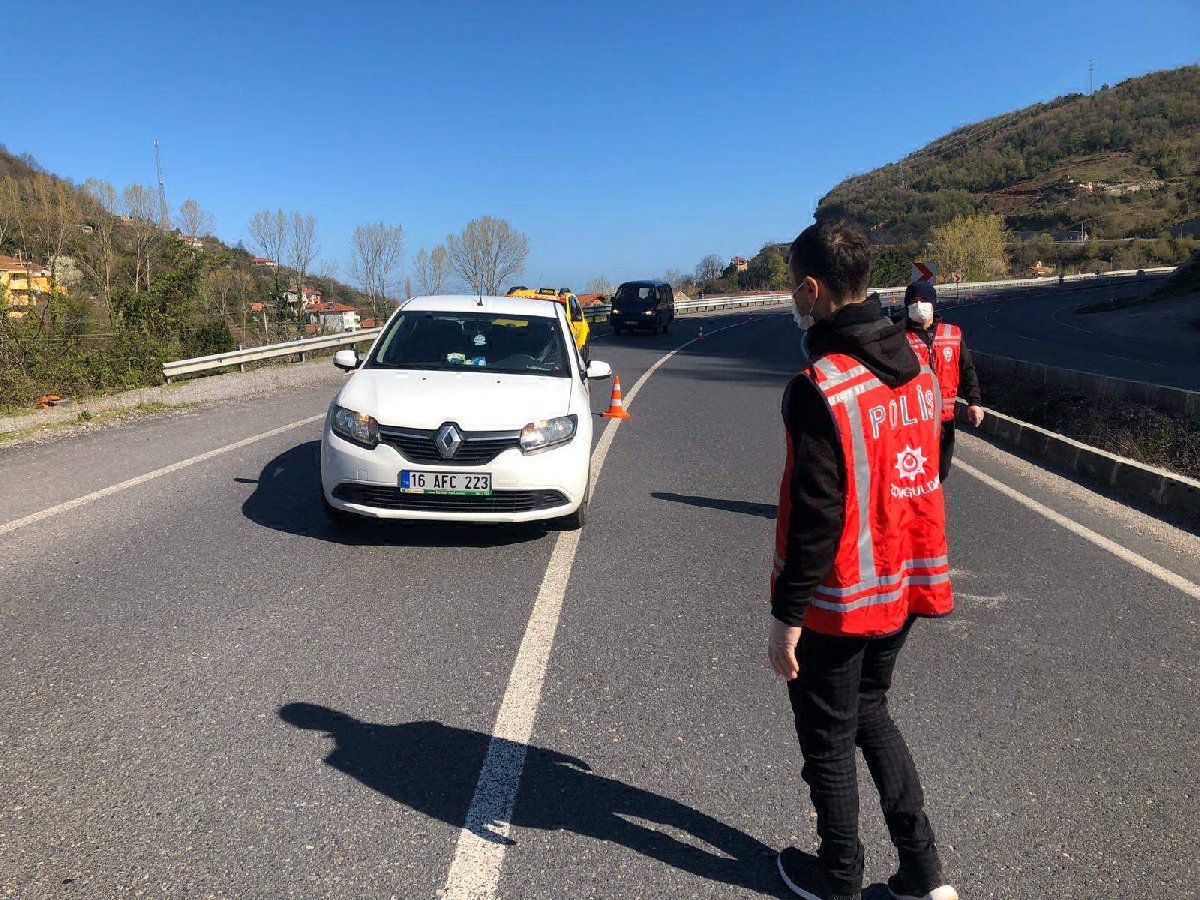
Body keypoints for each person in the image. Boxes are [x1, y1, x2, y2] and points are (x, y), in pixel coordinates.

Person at [768, 219, 958, 900]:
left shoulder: (821, 385)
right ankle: (923, 869)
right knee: (870, 710)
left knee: (827, 733)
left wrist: (786, 616)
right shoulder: (920, 365)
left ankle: (839, 876)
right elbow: (929, 466)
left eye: (794, 287)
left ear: (814, 290)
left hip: (844, 594)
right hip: (907, 580)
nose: (793, 297)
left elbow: (816, 517)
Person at [902, 282, 984, 482]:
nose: (919, 305)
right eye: (914, 301)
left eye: (923, 300)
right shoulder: (899, 338)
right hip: (913, 422)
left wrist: (974, 402)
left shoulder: (952, 334)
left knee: (942, 471)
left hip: (945, 420)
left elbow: (967, 369)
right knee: (916, 475)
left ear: (933, 304)